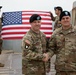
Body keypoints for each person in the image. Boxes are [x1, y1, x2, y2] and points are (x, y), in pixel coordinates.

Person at [46, 11, 76, 75]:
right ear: (60, 21)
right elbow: (51, 48)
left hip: (73, 69)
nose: (65, 20)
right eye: (63, 18)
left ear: (70, 19)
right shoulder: (56, 33)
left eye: (67, 18)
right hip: (60, 69)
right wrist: (48, 55)